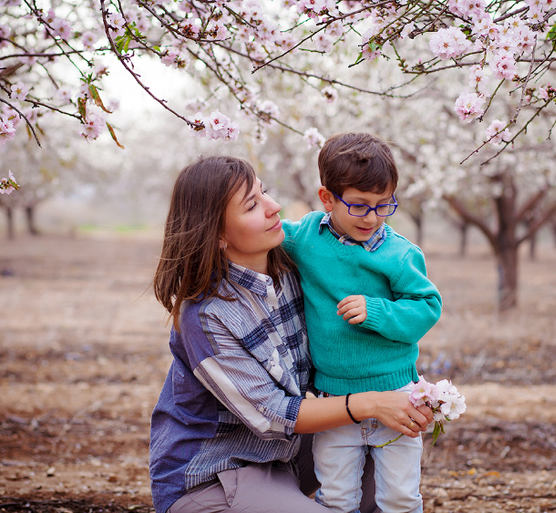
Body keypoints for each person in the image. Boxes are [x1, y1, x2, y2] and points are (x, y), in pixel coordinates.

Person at [148, 155, 431, 513]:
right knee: (375, 417)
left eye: (264, 192)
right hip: (217, 477)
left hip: (286, 462)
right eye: (252, 205)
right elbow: (272, 416)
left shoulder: (296, 272)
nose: (274, 207)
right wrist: (374, 402)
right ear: (217, 234)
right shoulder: (207, 315)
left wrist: (401, 393)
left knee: (389, 462)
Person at [281, 133, 443, 513]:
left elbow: (427, 307)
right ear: (327, 199)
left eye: (383, 206)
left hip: (397, 394)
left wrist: (378, 311)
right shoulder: (307, 237)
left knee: (400, 497)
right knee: (335, 498)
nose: (372, 217)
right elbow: (268, 236)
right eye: (359, 206)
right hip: (334, 401)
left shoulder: (399, 254)